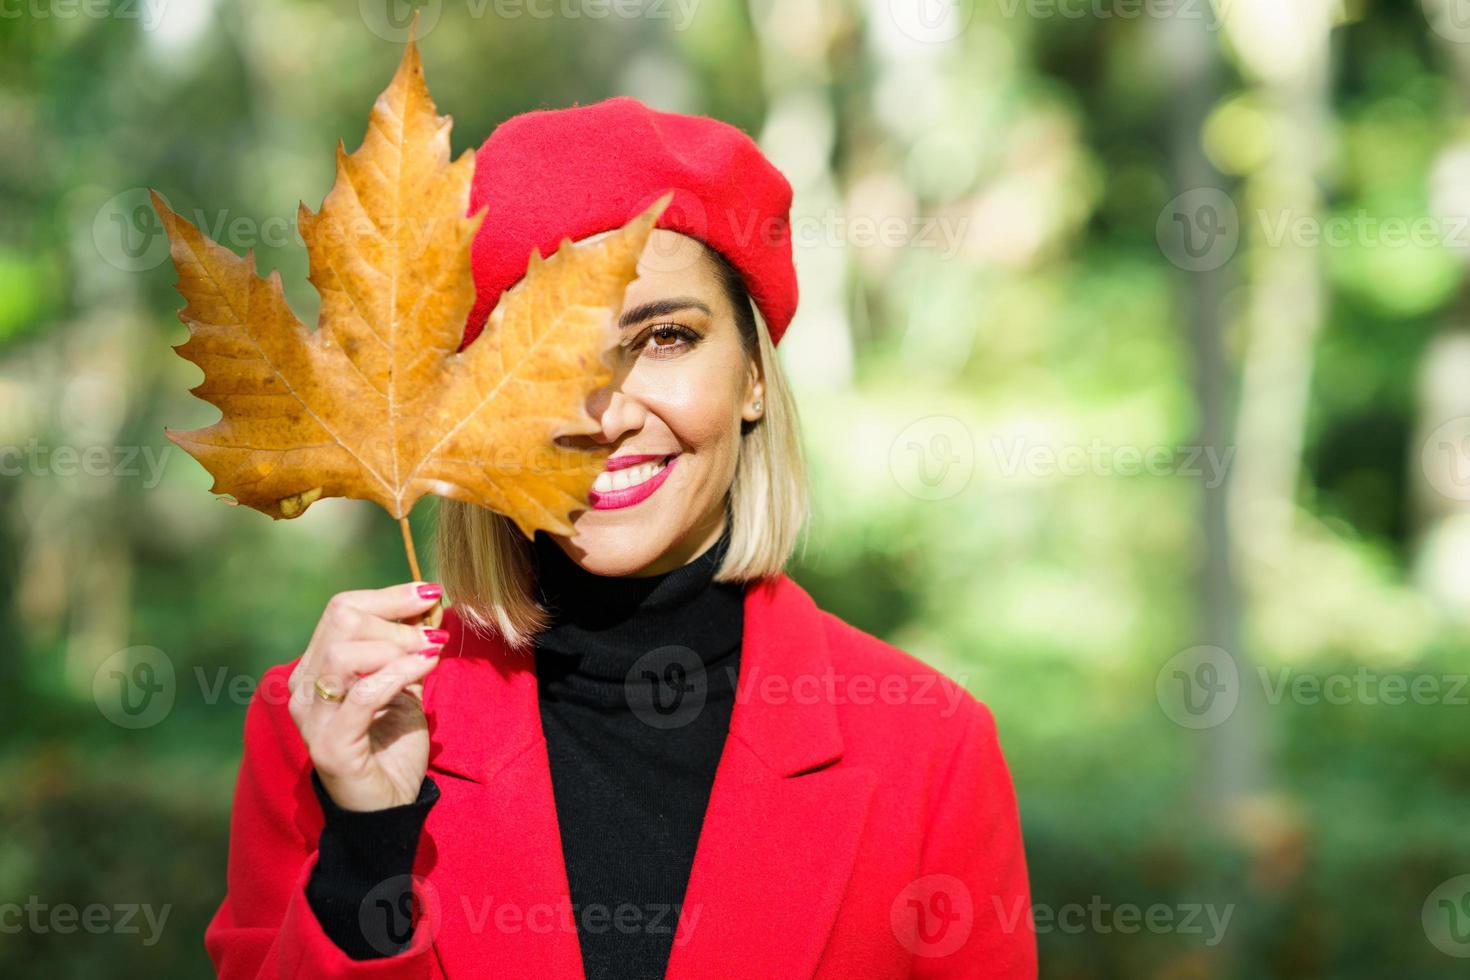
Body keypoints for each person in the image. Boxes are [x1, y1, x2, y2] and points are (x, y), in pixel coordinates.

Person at [203, 95, 1037, 979]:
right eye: (546, 355)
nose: (606, 412)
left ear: (754, 376)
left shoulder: (930, 750)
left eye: (667, 337)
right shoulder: (331, 721)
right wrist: (368, 849)